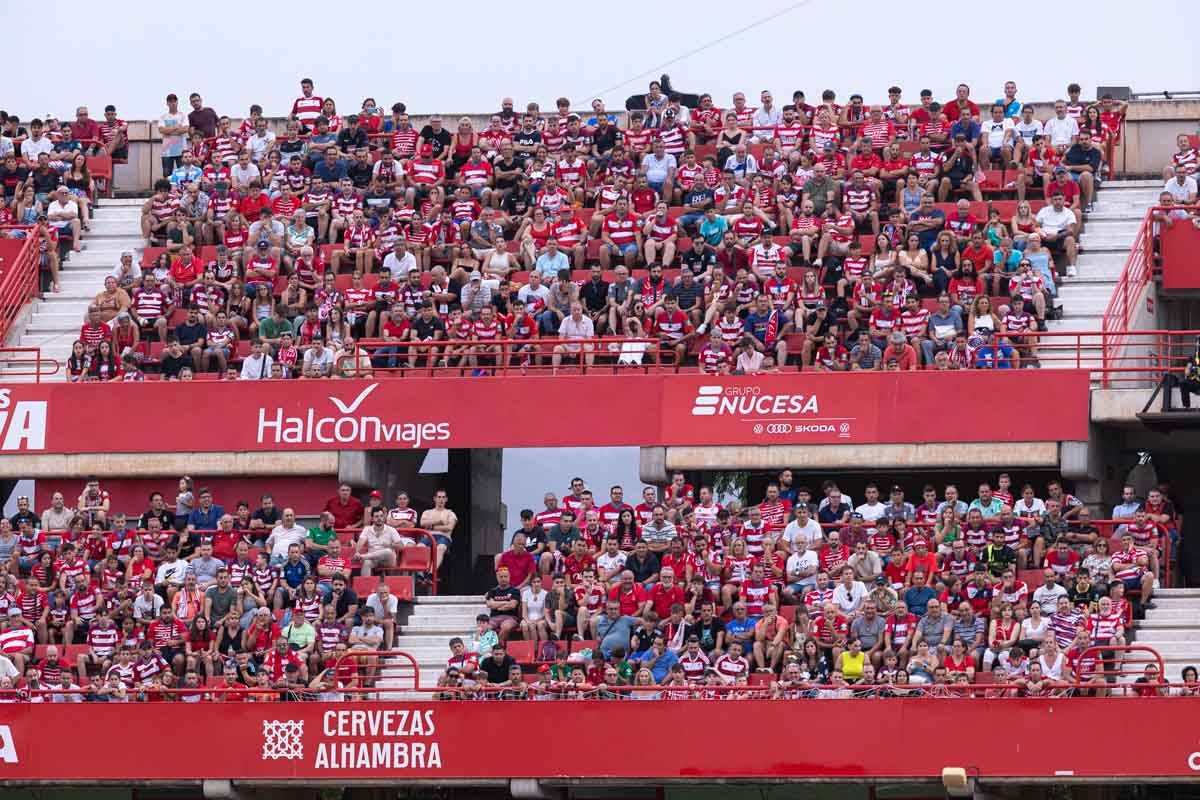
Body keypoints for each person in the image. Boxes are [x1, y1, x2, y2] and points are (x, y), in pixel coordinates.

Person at [1164, 336, 1200, 411]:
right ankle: (1187, 407)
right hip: (1195, 382)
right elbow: (1187, 370)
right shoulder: (1192, 358)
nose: (1198, 344)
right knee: (1183, 382)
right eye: (1197, 343)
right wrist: (1190, 370)